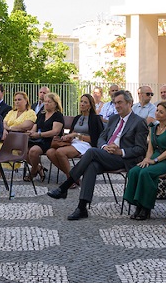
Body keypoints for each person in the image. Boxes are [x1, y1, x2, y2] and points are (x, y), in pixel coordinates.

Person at [46, 90, 148, 220]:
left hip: (124, 159)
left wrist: (120, 151)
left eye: (120, 103)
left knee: (92, 152)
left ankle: (66, 185)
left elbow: (140, 149)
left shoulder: (139, 122)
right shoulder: (114, 119)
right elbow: (101, 138)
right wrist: (105, 146)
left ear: (130, 103)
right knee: (91, 166)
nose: (117, 106)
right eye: (115, 103)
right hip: (106, 154)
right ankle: (82, 207)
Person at [123, 101, 166, 220]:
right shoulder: (153, 127)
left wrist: (155, 160)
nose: (157, 113)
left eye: (161, 112)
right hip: (154, 157)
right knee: (134, 171)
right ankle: (137, 205)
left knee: (146, 173)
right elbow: (150, 148)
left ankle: (145, 207)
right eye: (157, 110)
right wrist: (147, 159)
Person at [45, 93, 104, 178]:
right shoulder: (77, 117)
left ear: (90, 106)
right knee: (50, 152)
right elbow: (72, 133)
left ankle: (70, 179)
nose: (82, 104)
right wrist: (67, 136)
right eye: (81, 101)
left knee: (60, 152)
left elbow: (96, 139)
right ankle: (71, 176)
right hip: (74, 142)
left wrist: (77, 135)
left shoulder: (95, 119)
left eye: (85, 102)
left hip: (86, 144)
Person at [0, 91, 37, 179]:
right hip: (7, 138)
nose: (17, 102)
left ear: (26, 101)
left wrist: (9, 128)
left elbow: (26, 126)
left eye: (19, 99)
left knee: (3, 148)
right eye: (15, 100)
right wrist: (5, 129)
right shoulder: (11, 112)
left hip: (21, 140)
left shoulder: (30, 113)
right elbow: (4, 123)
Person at [25, 92, 65, 181]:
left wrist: (39, 135)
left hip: (49, 140)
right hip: (37, 139)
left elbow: (55, 131)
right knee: (22, 149)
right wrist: (31, 133)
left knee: (33, 151)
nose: (46, 104)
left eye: (49, 102)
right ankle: (38, 168)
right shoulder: (42, 114)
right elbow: (35, 127)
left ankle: (33, 171)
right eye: (45, 102)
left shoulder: (58, 115)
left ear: (55, 104)